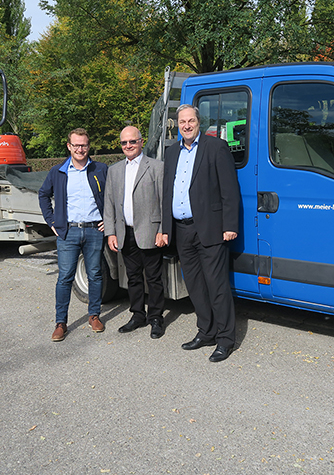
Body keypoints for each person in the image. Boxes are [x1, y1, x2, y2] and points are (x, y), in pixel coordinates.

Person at [162, 104, 241, 362]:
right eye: (182, 121)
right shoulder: (171, 152)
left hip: (210, 228)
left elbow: (230, 190)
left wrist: (229, 225)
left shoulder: (215, 147)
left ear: (199, 122)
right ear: (178, 124)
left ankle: (225, 339)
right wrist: (165, 228)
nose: (186, 125)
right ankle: (205, 331)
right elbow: (167, 194)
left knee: (217, 286)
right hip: (181, 229)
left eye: (191, 121)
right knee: (195, 286)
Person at [38, 128, 108, 341]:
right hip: (67, 232)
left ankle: (94, 315)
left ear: (89, 146)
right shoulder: (58, 172)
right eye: (76, 145)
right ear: (69, 146)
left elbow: (113, 196)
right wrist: (52, 222)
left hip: (95, 230)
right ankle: (61, 322)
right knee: (65, 277)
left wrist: (109, 218)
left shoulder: (100, 169)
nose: (80, 149)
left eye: (84, 145)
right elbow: (43, 195)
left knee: (95, 274)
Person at [103, 126, 167, 338]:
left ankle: (156, 317)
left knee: (154, 278)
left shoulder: (156, 167)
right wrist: (111, 233)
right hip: (125, 233)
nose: (128, 146)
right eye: (124, 143)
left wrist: (162, 230)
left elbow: (164, 202)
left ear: (141, 142)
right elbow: (109, 204)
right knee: (133, 278)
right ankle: (137, 315)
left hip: (150, 232)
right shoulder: (114, 170)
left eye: (132, 141)